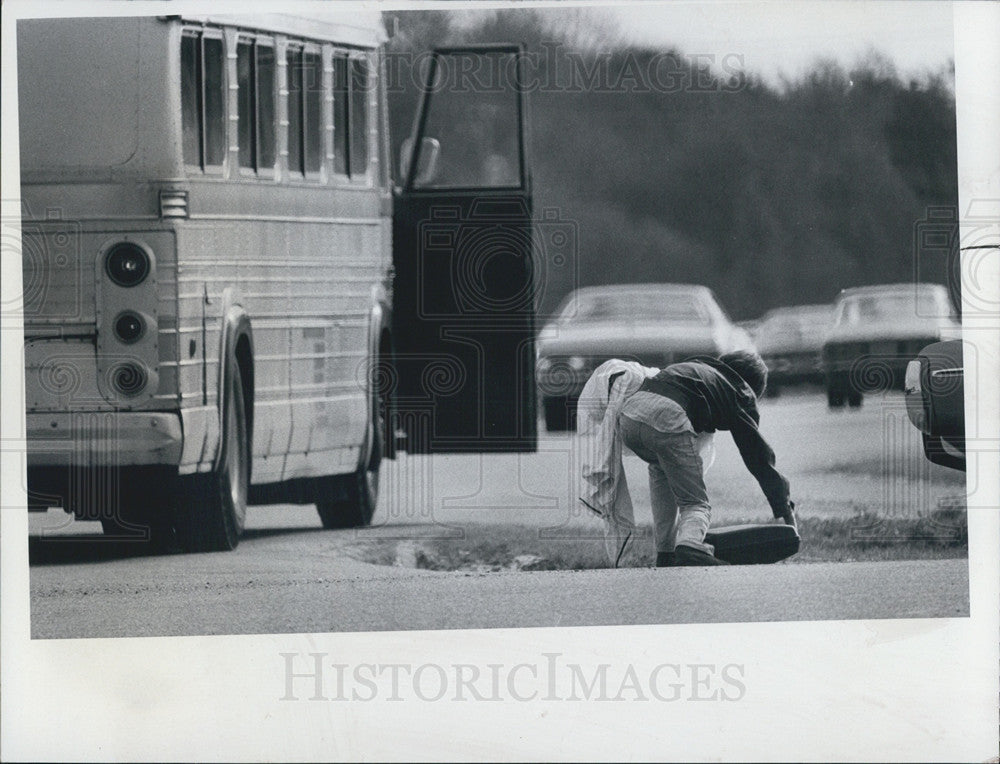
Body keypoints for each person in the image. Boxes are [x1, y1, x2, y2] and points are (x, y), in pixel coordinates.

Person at [577, 350, 795, 567]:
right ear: (752, 387)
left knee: (662, 472)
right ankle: (691, 546)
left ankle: (666, 553)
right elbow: (758, 457)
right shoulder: (740, 391)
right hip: (668, 418)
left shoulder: (696, 367)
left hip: (629, 418)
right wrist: (782, 506)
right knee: (695, 503)